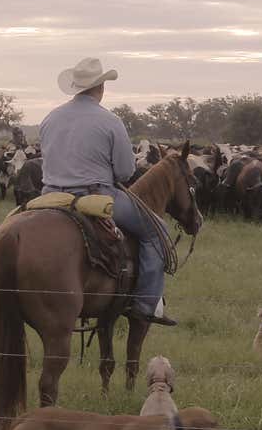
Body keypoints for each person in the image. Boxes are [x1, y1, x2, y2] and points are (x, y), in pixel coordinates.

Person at [38, 57, 175, 326]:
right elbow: (125, 172)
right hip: (96, 195)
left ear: (76, 87)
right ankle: (147, 304)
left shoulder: (49, 118)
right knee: (157, 232)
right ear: (101, 88)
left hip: (49, 195)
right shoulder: (110, 121)